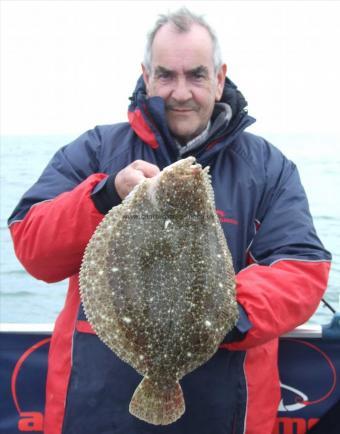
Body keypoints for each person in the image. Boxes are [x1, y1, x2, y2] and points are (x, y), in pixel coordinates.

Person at [8, 7, 331, 434]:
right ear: (146, 77)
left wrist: (217, 318)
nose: (181, 92)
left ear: (219, 77)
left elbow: (301, 268)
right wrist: (105, 195)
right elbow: (32, 248)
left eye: (196, 75)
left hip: (226, 413)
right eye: (166, 75)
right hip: (93, 409)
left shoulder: (268, 168)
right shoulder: (94, 151)